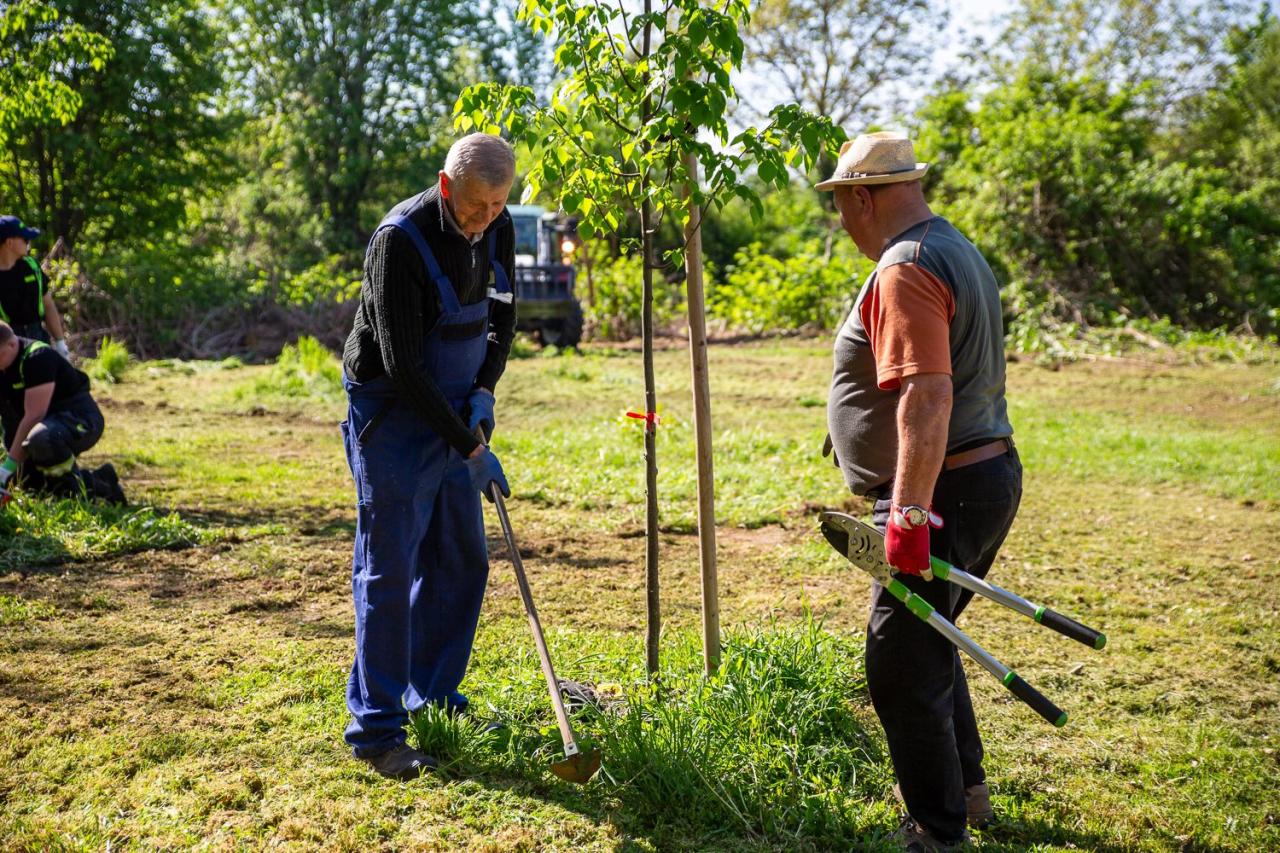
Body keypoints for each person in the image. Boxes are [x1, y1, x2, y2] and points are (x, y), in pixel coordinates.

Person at [819, 132, 1021, 852]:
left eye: (841, 205)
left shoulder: (905, 266)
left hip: (940, 492)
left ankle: (937, 830)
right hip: (974, 478)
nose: (843, 220)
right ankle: (966, 793)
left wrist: (907, 511)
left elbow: (928, 394)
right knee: (929, 638)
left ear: (862, 199)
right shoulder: (950, 245)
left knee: (900, 663)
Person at [339, 133, 518, 780]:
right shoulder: (399, 241)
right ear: (446, 187)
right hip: (394, 415)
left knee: (461, 561)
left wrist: (484, 392)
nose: (484, 219)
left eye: (497, 206)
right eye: (474, 206)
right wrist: (470, 444)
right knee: (389, 572)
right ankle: (377, 731)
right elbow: (404, 366)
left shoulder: (496, 226)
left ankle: (433, 697)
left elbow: (502, 316)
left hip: (456, 411)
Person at [0, 321, 124, 504]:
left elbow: (34, 416)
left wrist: (7, 468)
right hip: (43, 429)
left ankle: (79, 499)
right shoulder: (4, 363)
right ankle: (100, 482)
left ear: (11, 344)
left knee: (41, 440)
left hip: (78, 421)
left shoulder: (37, 358)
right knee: (29, 486)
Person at [0, 216, 71, 356]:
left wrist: (60, 344)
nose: (29, 243)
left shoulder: (31, 266)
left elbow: (48, 305)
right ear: (9, 243)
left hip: (38, 338)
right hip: (7, 343)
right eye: (25, 240)